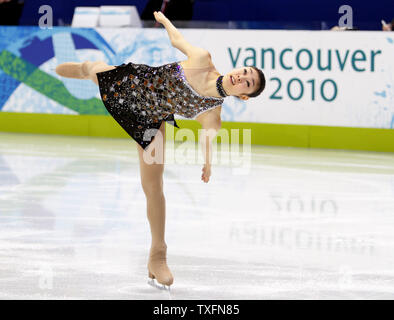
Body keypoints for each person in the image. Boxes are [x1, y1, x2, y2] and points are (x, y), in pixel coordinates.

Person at [55, 11, 266, 290]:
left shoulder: (212, 113)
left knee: (153, 186)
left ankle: (157, 255)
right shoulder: (202, 59)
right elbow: (178, 41)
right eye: (245, 72)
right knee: (96, 73)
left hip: (151, 121)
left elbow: (208, 137)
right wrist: (166, 22)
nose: (242, 77)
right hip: (134, 84)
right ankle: (87, 68)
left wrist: (208, 164)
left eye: (247, 83)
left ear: (243, 95)